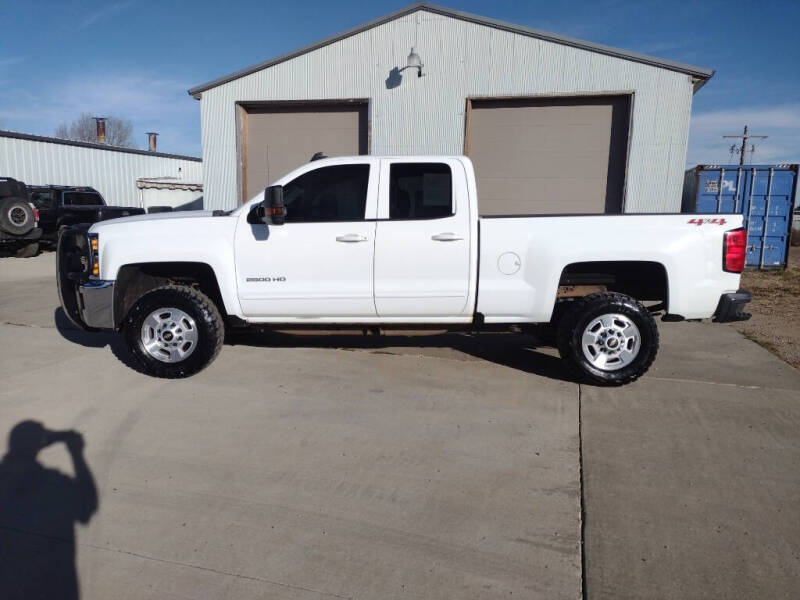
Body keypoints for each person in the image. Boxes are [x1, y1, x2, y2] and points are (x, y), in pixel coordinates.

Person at [0, 420, 98, 600]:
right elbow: (87, 506)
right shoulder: (53, 485)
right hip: (53, 588)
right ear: (40, 445)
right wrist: (76, 453)